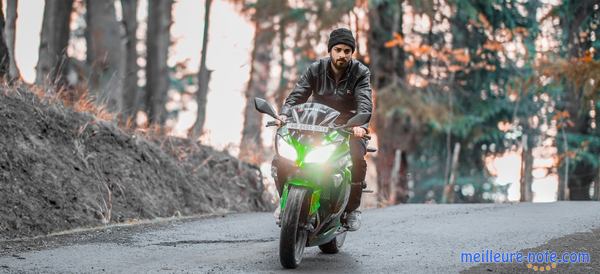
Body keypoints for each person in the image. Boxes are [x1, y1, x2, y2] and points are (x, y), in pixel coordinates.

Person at [273, 27, 372, 231]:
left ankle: (352, 209)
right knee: (283, 156)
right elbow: (297, 95)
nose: (342, 55)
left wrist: (360, 125)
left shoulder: (360, 72)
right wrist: (284, 114)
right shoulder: (316, 69)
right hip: (316, 121)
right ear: (330, 50)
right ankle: (285, 203)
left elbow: (364, 102)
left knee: (356, 159)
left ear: (351, 53)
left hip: (348, 125)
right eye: (338, 50)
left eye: (347, 51)